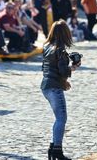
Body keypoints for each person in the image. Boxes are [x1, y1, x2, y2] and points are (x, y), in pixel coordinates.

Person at [41, 20, 81, 160]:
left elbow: (47, 68)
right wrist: (74, 67)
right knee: (61, 119)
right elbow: (63, 71)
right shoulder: (61, 49)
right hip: (54, 88)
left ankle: (53, 148)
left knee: (58, 119)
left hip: (46, 86)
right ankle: (57, 151)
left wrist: (63, 82)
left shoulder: (46, 46)